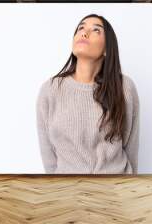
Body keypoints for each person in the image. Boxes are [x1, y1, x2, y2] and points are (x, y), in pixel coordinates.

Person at [36, 14, 140, 174]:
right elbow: (48, 155)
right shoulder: (50, 90)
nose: (84, 33)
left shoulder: (124, 87)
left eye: (96, 30)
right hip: (67, 192)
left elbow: (130, 146)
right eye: (81, 28)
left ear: (107, 48)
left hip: (115, 189)